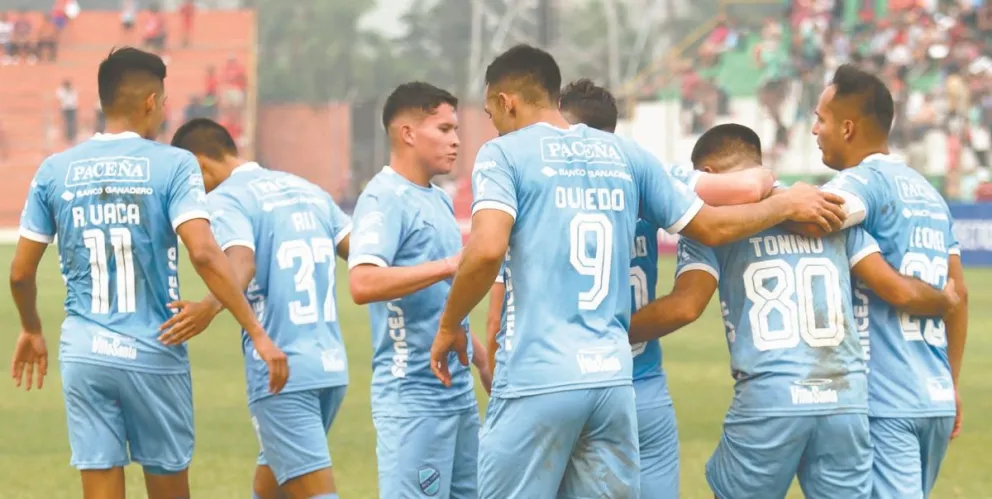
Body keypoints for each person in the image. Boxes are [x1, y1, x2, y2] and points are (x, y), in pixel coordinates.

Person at [430, 43, 849, 498]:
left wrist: (451, 323)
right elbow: (710, 225)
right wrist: (784, 203)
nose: (495, 125)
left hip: (539, 377)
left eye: (492, 113)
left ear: (505, 101)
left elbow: (488, 249)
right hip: (613, 383)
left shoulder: (504, 154)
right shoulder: (626, 155)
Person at [8, 47, 285, 499]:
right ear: (152, 102)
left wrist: (32, 328)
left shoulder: (53, 170)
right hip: (154, 351)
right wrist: (255, 330)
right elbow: (204, 253)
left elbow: (20, 273)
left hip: (84, 352)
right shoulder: (173, 164)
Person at [629, 122, 960, 499]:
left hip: (771, 395)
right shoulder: (824, 209)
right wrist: (945, 300)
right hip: (845, 398)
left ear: (707, 177)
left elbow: (686, 306)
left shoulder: (711, 228)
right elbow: (892, 286)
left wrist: (605, 331)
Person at [484, 78, 777, 498]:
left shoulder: (537, 186)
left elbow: (497, 313)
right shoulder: (651, 173)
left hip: (559, 376)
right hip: (641, 384)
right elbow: (747, 187)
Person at [803, 63, 969, 498]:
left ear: (848, 127)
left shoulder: (862, 182)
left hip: (886, 398)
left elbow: (818, 213)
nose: (814, 129)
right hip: (933, 397)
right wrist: (950, 385)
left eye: (821, 119)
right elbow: (960, 294)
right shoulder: (929, 193)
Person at [163, 118, 351, 499]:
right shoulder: (307, 190)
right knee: (272, 487)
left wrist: (207, 307)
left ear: (199, 166)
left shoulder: (225, 198)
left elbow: (241, 264)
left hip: (281, 371)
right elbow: (365, 257)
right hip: (330, 366)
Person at [347, 82, 491, 499]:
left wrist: (482, 361)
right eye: (444, 129)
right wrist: (449, 264)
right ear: (408, 133)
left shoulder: (439, 200)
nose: (457, 140)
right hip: (412, 399)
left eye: (456, 129)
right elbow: (362, 282)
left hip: (458, 394)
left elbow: (445, 302)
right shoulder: (383, 197)